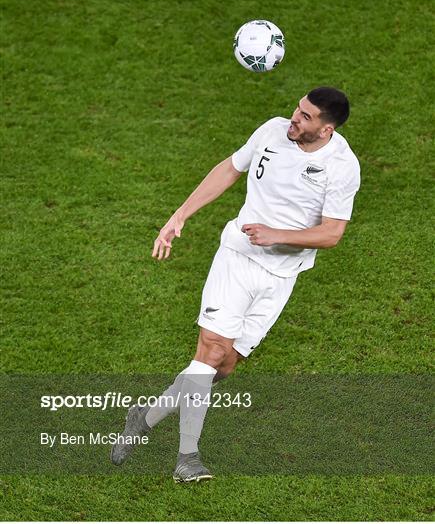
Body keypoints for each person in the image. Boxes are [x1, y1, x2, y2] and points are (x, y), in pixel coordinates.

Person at [111, 86, 361, 482]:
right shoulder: (272, 132)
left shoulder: (342, 166)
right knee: (210, 353)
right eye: (297, 110)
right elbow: (230, 168)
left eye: (306, 117)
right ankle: (187, 459)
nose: (294, 119)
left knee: (222, 368)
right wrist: (180, 215)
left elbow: (331, 234)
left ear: (327, 129)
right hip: (237, 258)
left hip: (281, 275)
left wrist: (276, 234)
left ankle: (144, 416)